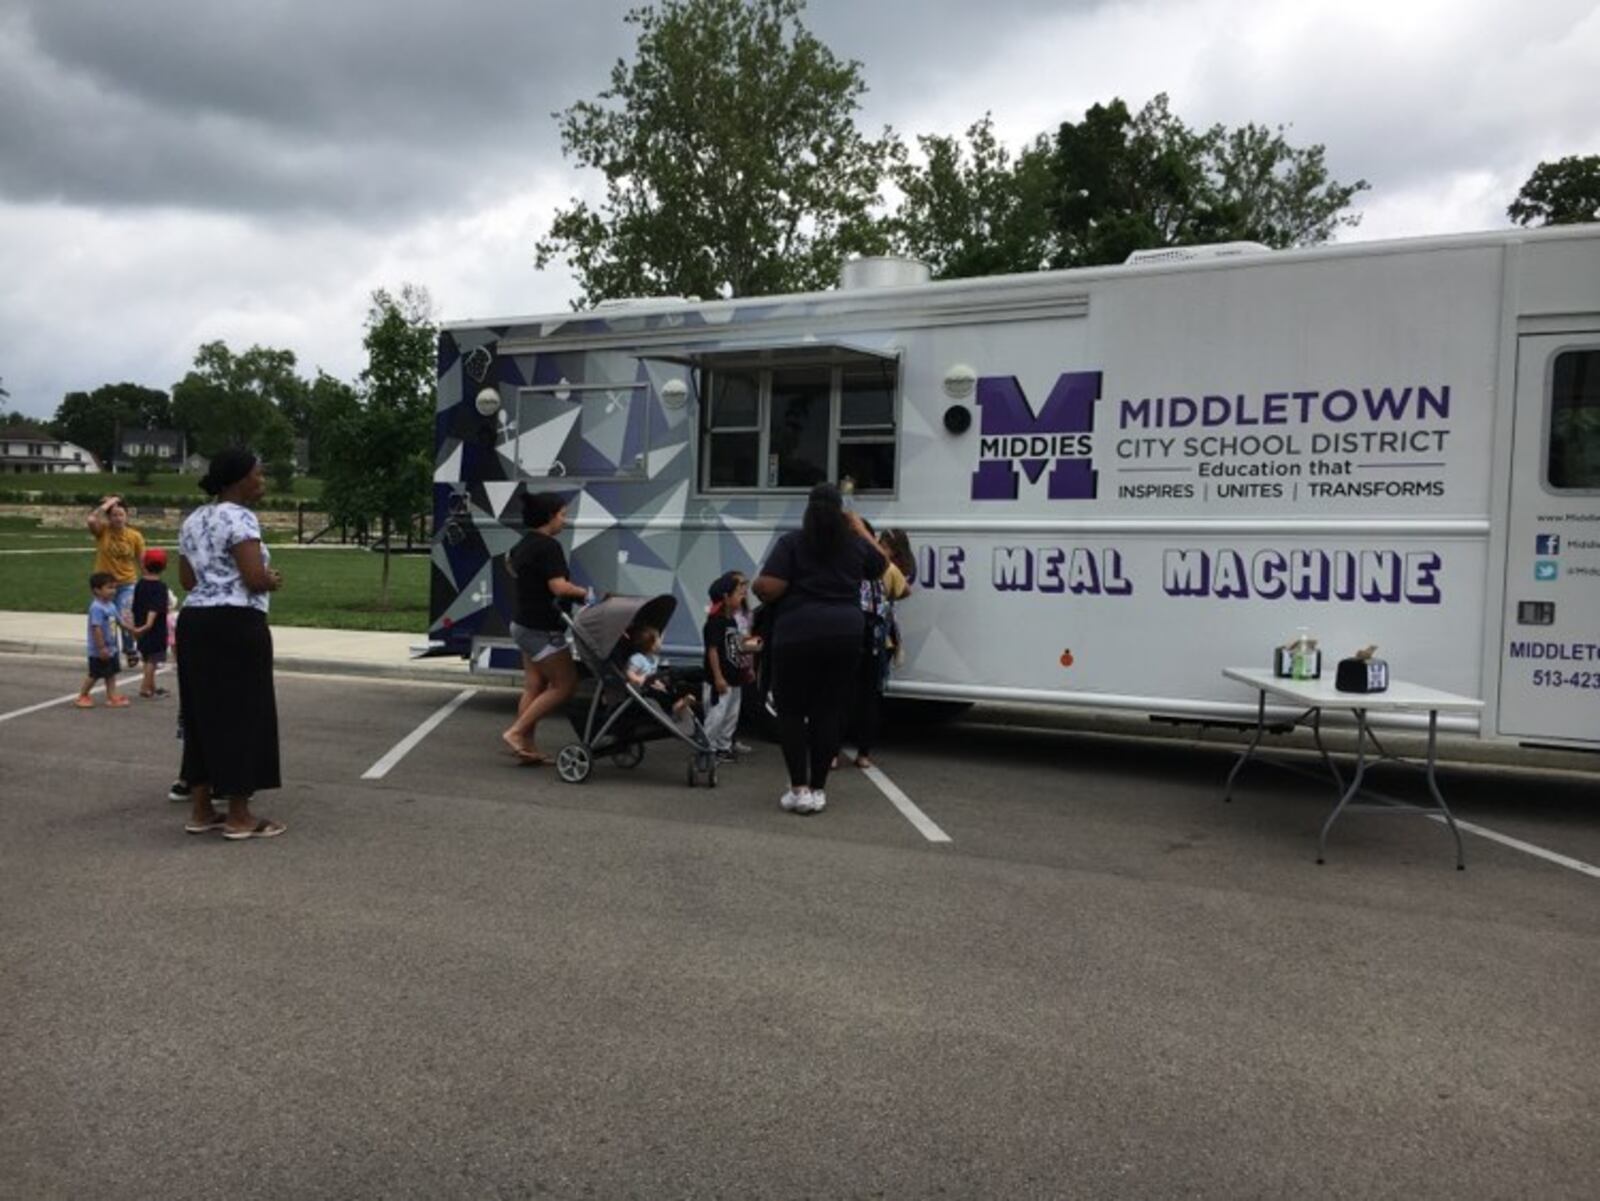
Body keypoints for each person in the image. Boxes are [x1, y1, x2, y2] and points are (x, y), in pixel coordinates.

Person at [753, 482, 887, 814]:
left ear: (809, 510)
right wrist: (860, 529)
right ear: (841, 512)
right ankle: (819, 790)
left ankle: (798, 789)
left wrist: (759, 586)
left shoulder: (792, 543)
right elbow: (882, 565)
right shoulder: (855, 545)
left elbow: (768, 587)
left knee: (792, 711)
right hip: (845, 635)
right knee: (829, 710)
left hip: (796, 634)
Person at [174, 447, 286, 840]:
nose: (263, 481)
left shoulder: (193, 519)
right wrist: (271, 579)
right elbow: (254, 579)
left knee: (201, 714)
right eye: (259, 474)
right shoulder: (240, 518)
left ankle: (202, 809)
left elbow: (187, 581)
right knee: (244, 714)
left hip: (194, 623)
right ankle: (239, 815)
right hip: (236, 623)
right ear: (239, 479)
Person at [502, 491, 590, 764]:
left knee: (535, 685)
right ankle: (516, 733)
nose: (565, 520)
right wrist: (585, 594)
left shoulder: (523, 544)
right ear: (550, 516)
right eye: (563, 514)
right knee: (566, 684)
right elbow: (558, 586)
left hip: (523, 623)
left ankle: (526, 747)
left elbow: (511, 566)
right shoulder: (549, 546)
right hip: (542, 628)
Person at [848, 526, 915, 770]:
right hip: (879, 641)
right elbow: (905, 591)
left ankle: (832, 753)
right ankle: (863, 754)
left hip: (851, 637)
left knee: (842, 696)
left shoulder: (853, 562)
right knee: (871, 699)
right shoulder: (891, 569)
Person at [702, 572, 762, 760]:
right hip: (720, 680)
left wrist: (750, 660)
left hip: (735, 677)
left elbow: (736, 645)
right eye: (739, 593)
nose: (743, 596)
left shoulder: (732, 621)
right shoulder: (715, 623)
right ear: (726, 598)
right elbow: (712, 651)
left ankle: (724, 746)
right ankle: (707, 747)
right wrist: (718, 677)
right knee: (717, 714)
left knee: (731, 714)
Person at [86, 494, 146, 665]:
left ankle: (129, 648)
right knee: (106, 620)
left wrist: (148, 581)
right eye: (114, 515)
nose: (118, 518)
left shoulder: (135, 536)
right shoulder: (103, 531)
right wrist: (110, 503)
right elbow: (91, 519)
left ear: (127, 516)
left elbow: (141, 561)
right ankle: (107, 651)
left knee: (125, 616)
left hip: (128, 582)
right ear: (109, 517)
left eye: (121, 514)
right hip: (105, 585)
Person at [75, 572, 131, 709]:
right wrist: (101, 648)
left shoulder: (111, 605)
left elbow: (119, 622)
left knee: (111, 673)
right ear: (97, 590)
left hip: (111, 648)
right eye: (109, 588)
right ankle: (82, 695)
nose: (114, 591)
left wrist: (133, 630)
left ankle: (112, 697)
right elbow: (97, 628)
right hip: (99, 650)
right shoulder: (97, 608)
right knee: (94, 674)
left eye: (114, 587)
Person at [624, 625, 697, 728]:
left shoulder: (653, 657)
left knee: (669, 690)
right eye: (658, 640)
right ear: (651, 645)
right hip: (645, 688)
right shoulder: (638, 658)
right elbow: (629, 672)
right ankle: (675, 708)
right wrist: (639, 679)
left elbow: (658, 637)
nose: (661, 643)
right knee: (659, 695)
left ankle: (678, 703)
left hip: (656, 683)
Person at [130, 548, 172, 699]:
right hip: (154, 629)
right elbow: (154, 608)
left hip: (140, 625)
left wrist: (135, 627)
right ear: (164, 567)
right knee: (153, 660)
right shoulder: (160, 588)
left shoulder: (140, 584)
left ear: (145, 565)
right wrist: (147, 625)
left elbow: (134, 606)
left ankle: (152, 687)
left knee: (147, 657)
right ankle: (145, 688)